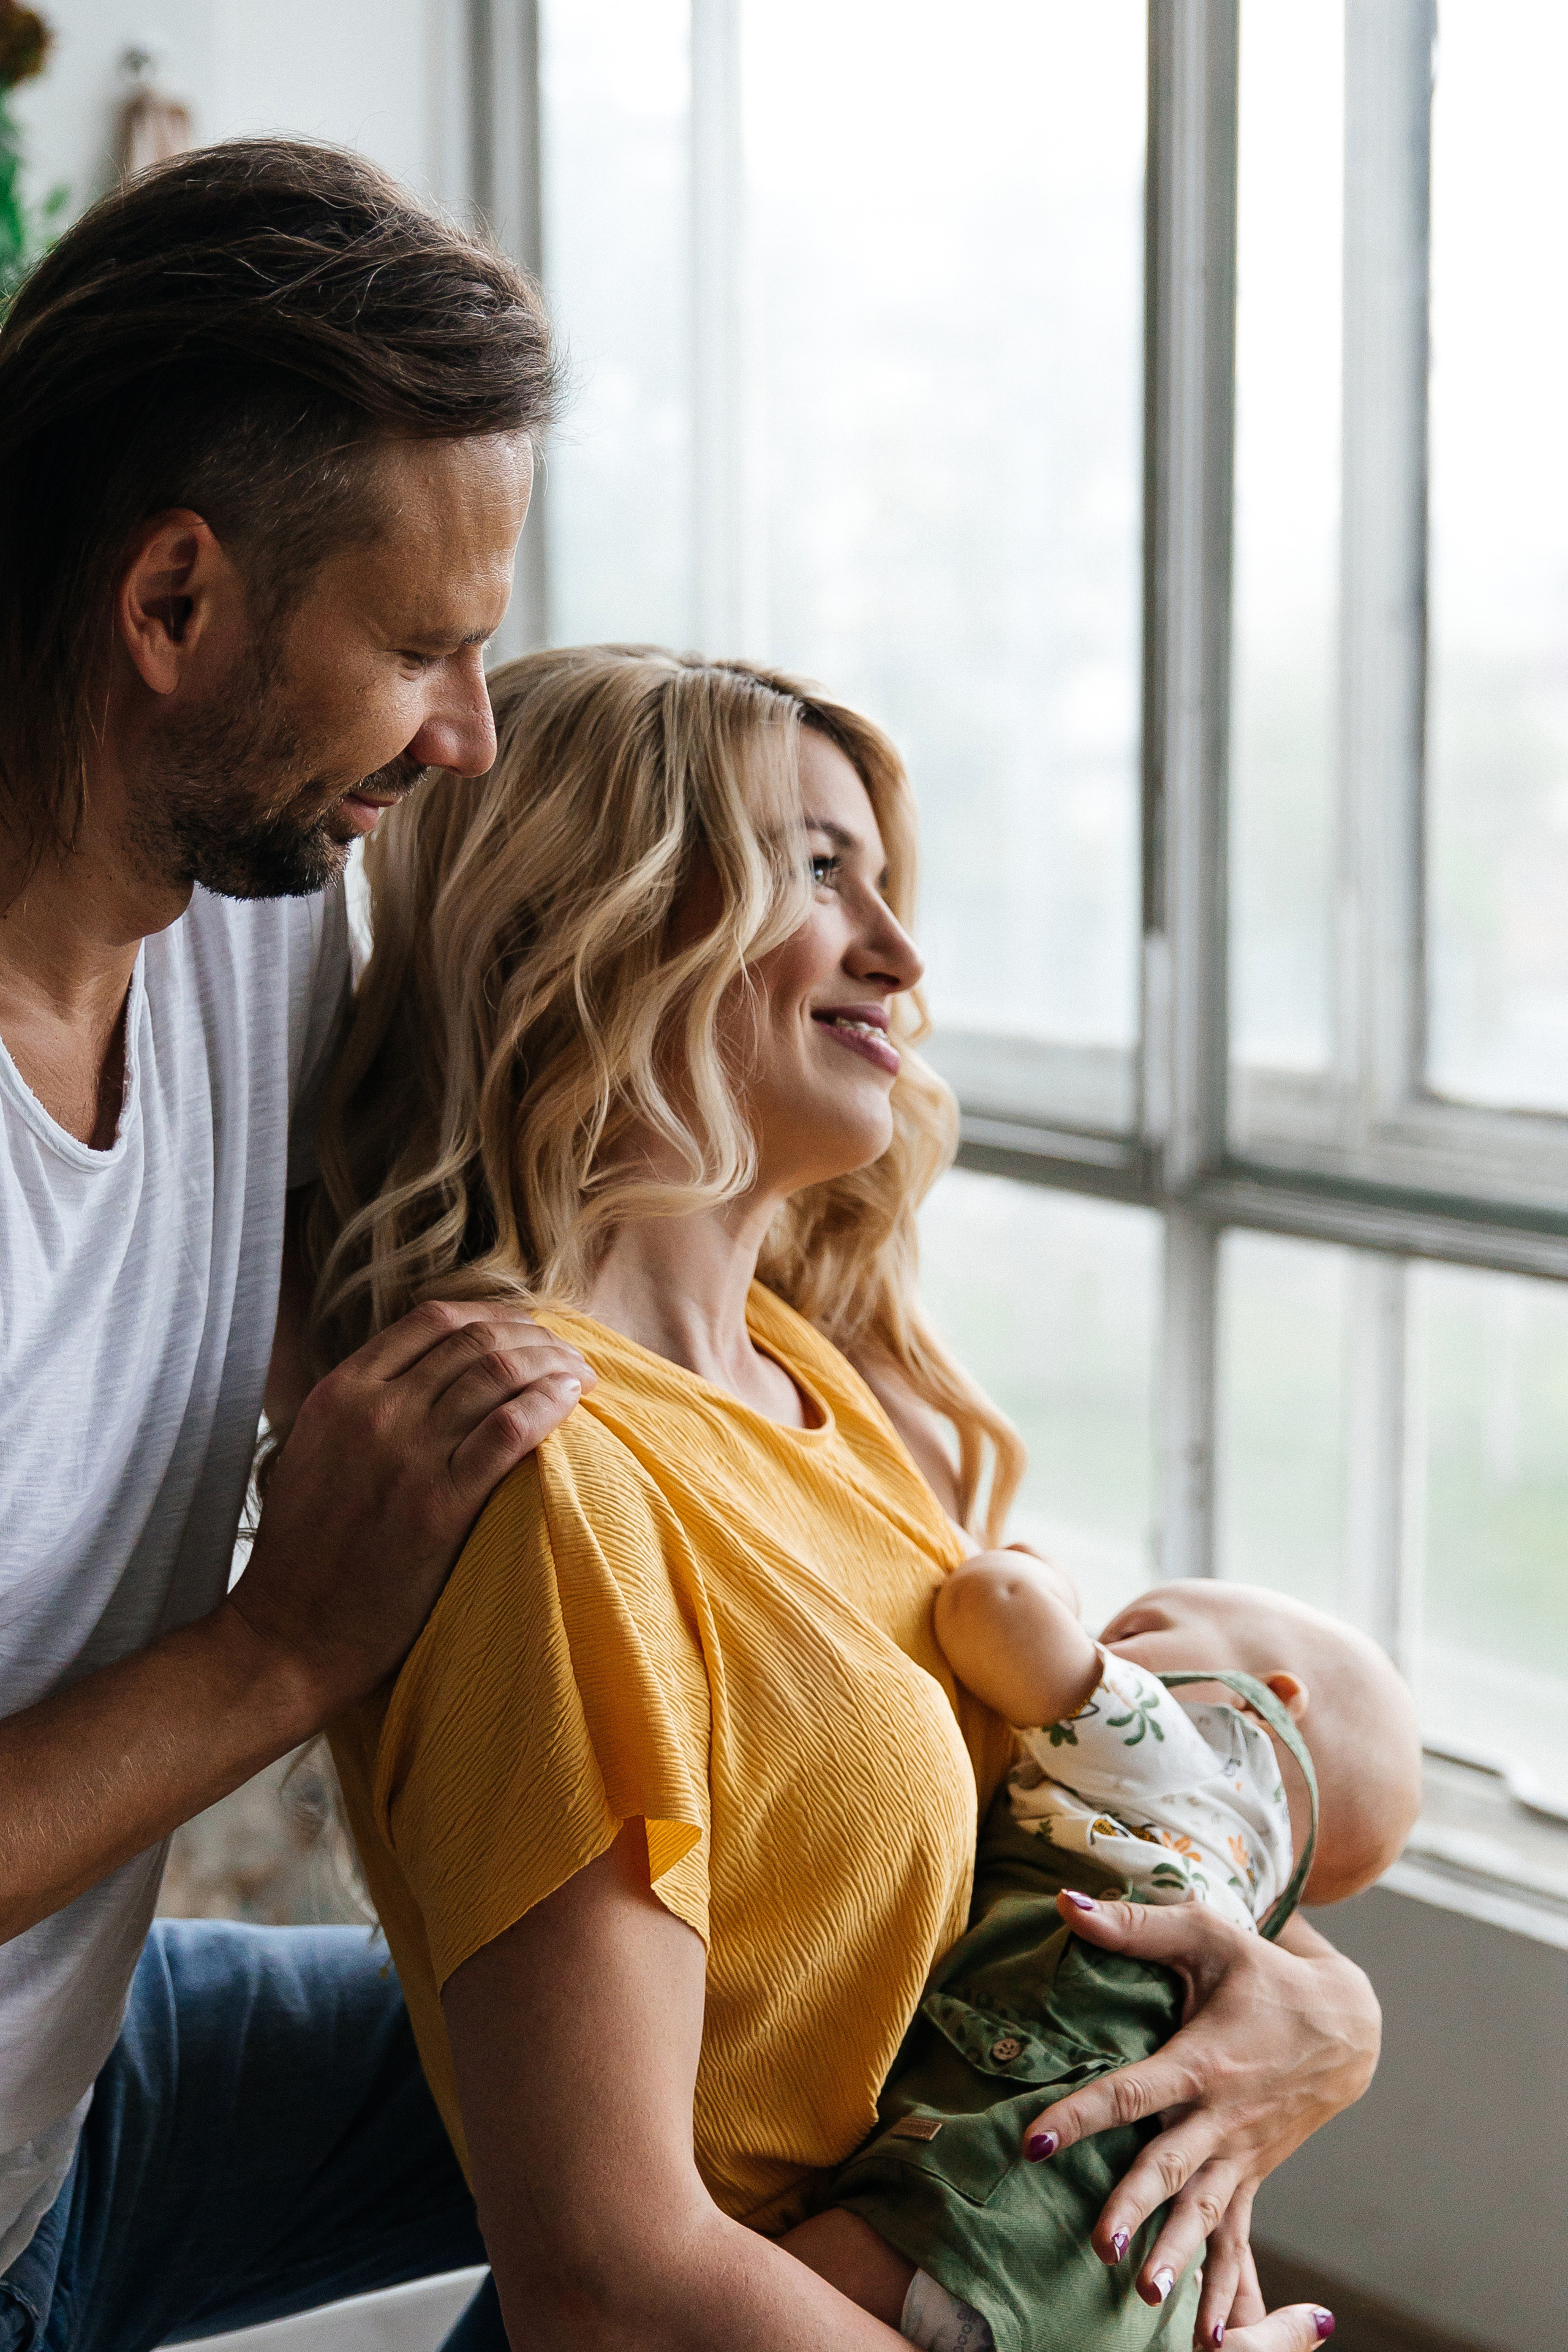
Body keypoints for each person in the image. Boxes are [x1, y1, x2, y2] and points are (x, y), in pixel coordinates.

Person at [312, 644, 1380, 2352]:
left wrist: (1307, 2020)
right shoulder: (546, 1469)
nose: (901, 951)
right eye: (817, 870)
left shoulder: (809, 1381)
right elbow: (610, 2282)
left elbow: (1021, 1891)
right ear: (608, 914)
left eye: (884, 879)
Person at [0, 141, 594, 2351]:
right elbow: (328, 1576)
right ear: (176, 607)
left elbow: (425, 1311)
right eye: (424, 649)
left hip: (80, 2087)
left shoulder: (258, 918)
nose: (466, 736)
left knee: (765, 2039)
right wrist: (284, 1646)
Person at [799, 1565, 1423, 2351]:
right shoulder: (1243, 1895)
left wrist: (1039, 1576)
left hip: (990, 2196)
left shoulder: (1178, 1749)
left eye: (1133, 1633)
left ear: (1258, 1704)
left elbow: (992, 1605)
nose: (1100, 1647)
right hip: (1109, 2284)